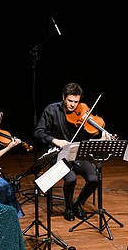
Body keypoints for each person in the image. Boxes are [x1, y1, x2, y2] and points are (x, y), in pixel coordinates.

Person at [34, 82, 113, 221]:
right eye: (70, 101)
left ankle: (78, 204)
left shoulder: (83, 112)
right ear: (63, 97)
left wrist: (101, 138)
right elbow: (39, 132)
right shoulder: (51, 110)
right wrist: (54, 140)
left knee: (94, 178)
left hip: (78, 153)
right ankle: (69, 207)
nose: (73, 105)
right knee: (70, 179)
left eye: (76, 102)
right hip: (58, 153)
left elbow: (89, 134)